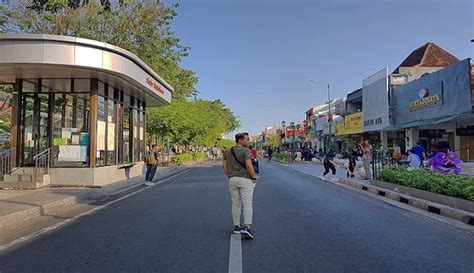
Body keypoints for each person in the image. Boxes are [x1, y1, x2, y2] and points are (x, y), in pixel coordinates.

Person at [223, 132, 258, 239]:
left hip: (232, 179)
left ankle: (237, 226)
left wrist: (230, 175)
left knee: (235, 203)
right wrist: (253, 177)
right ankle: (247, 227)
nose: (248, 141)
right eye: (247, 139)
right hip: (245, 179)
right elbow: (248, 165)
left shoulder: (228, 151)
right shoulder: (246, 150)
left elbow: (224, 165)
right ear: (240, 140)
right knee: (247, 203)